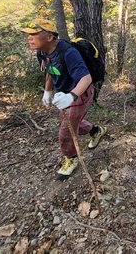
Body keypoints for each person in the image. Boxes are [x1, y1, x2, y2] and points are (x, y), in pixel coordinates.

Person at [20, 19, 107, 180]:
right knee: (72, 122)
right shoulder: (43, 52)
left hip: (80, 94)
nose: (29, 38)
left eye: (34, 34)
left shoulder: (68, 52)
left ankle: (71, 159)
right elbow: (50, 71)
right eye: (28, 34)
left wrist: (71, 96)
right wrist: (47, 91)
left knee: (66, 130)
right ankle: (96, 131)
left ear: (49, 37)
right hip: (64, 95)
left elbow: (86, 78)